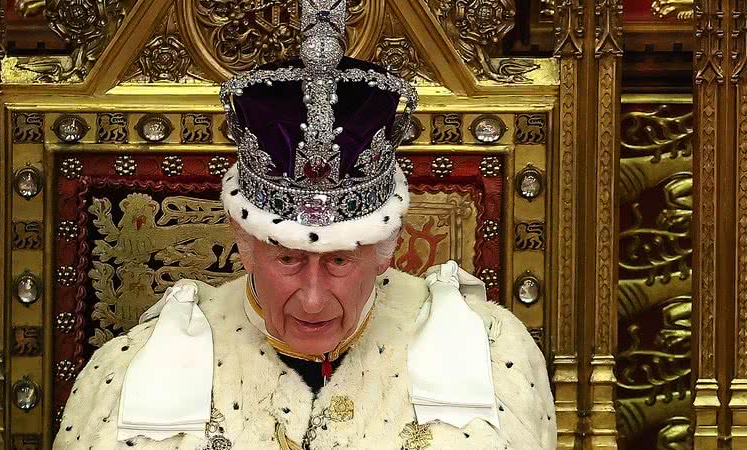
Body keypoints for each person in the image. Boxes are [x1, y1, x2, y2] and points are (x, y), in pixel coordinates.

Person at [54, 1, 556, 448]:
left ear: (386, 247)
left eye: (339, 260)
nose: (312, 299)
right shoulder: (139, 363)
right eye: (288, 259)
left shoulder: (488, 351)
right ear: (245, 242)